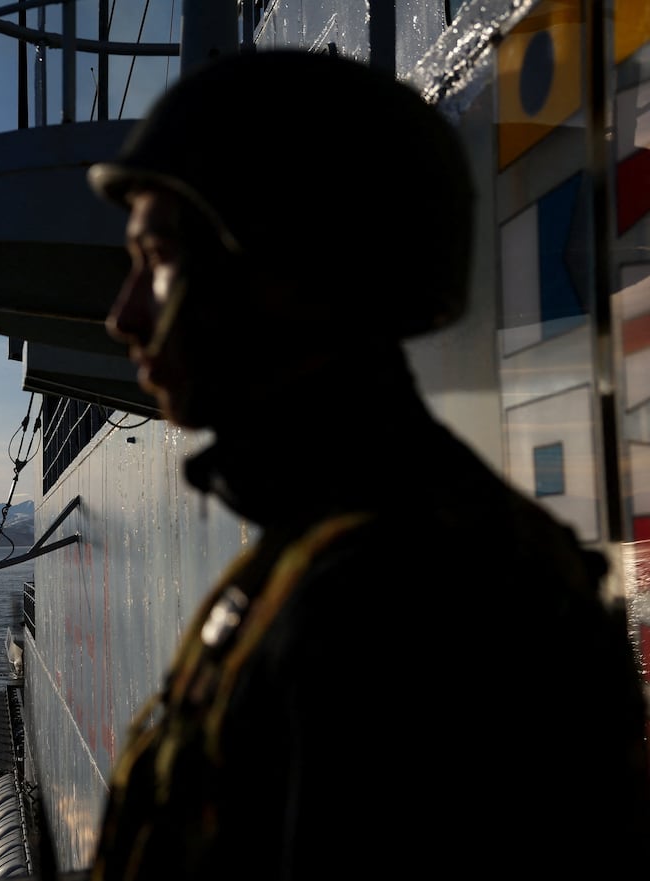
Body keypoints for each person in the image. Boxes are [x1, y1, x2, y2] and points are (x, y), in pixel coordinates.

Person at [84, 48, 650, 880]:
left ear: (285, 261)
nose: (122, 315)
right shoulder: (350, 547)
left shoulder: (396, 603)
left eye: (159, 257)